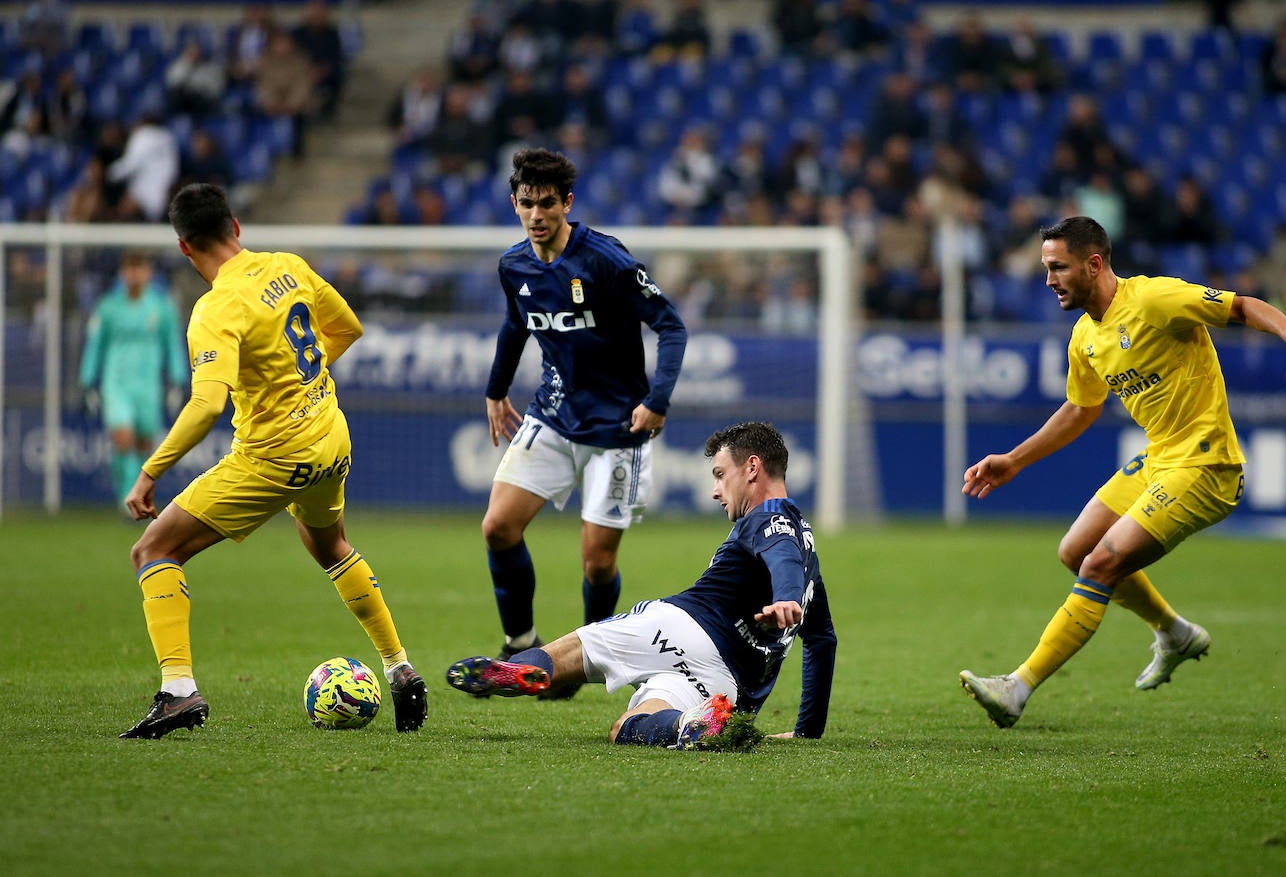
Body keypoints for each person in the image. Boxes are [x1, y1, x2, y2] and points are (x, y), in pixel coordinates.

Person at [958, 216, 1286, 728]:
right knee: (1074, 552)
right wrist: (1014, 459)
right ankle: (1174, 633)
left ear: (1093, 265)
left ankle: (1017, 687)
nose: (1048, 279)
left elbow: (1243, 305)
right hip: (1161, 458)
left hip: (1207, 464)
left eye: (1058, 268)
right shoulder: (1084, 337)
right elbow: (1080, 409)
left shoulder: (1155, 299)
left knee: (1100, 565)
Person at [118, 183, 427, 739]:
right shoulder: (289, 265)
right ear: (235, 228)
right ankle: (398, 664)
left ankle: (178, 692)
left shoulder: (215, 308)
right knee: (330, 546)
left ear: (185, 250)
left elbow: (207, 403)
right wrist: (294, 380)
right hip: (330, 435)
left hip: (272, 456)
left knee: (153, 549)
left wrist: (150, 471)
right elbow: (348, 328)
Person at [448, 422, 836, 749]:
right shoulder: (810, 561)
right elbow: (822, 640)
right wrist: (807, 731)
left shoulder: (769, 517)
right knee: (627, 728)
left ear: (752, 468)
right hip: (726, 683)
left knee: (567, 652)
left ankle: (519, 668)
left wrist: (784, 596)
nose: (715, 491)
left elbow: (778, 548)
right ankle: (687, 726)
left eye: (720, 474)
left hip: (679, 627)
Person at [479, 148, 688, 693]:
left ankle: (582, 658)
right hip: (551, 415)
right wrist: (496, 390)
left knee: (597, 565)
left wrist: (658, 399)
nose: (536, 214)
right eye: (527, 204)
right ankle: (521, 643)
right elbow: (514, 325)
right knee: (498, 527)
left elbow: (671, 326)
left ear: (567, 203)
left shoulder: (606, 260)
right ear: (514, 204)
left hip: (620, 430)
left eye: (547, 203)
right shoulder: (514, 265)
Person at [80, 252, 188, 508]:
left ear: (148, 273)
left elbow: (172, 345)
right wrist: (87, 382)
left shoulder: (161, 308)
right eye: (130, 269)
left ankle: (138, 496)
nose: (135, 275)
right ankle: (126, 502)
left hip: (148, 386)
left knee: (143, 443)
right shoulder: (108, 307)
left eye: (140, 268)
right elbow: (95, 346)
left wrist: (176, 381)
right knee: (123, 438)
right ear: (123, 273)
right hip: (116, 383)